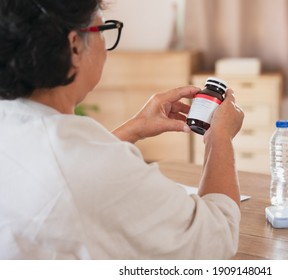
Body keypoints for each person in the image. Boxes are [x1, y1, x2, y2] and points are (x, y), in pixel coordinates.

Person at [0, 0, 244, 259]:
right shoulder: (86, 170)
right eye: (102, 31)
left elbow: (71, 170)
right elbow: (215, 238)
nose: (106, 47)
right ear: (74, 47)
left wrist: (134, 128)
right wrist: (220, 136)